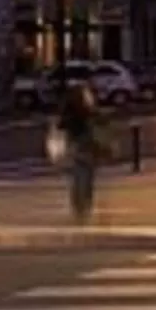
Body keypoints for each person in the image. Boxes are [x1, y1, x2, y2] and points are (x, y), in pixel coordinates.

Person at [56, 82, 102, 222]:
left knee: (77, 178)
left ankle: (79, 207)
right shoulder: (88, 111)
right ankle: (85, 206)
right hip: (86, 145)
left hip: (74, 144)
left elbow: (61, 126)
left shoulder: (68, 112)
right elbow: (99, 124)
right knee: (87, 178)